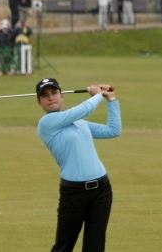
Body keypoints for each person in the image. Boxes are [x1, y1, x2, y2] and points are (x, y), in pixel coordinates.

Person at [36, 78, 121, 252]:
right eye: (45, 96)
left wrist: (110, 99)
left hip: (102, 190)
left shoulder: (80, 123)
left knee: (95, 247)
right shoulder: (46, 124)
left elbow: (113, 130)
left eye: (54, 93)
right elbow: (82, 110)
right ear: (40, 103)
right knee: (64, 246)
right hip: (74, 193)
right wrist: (97, 96)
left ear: (62, 96)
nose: (51, 98)